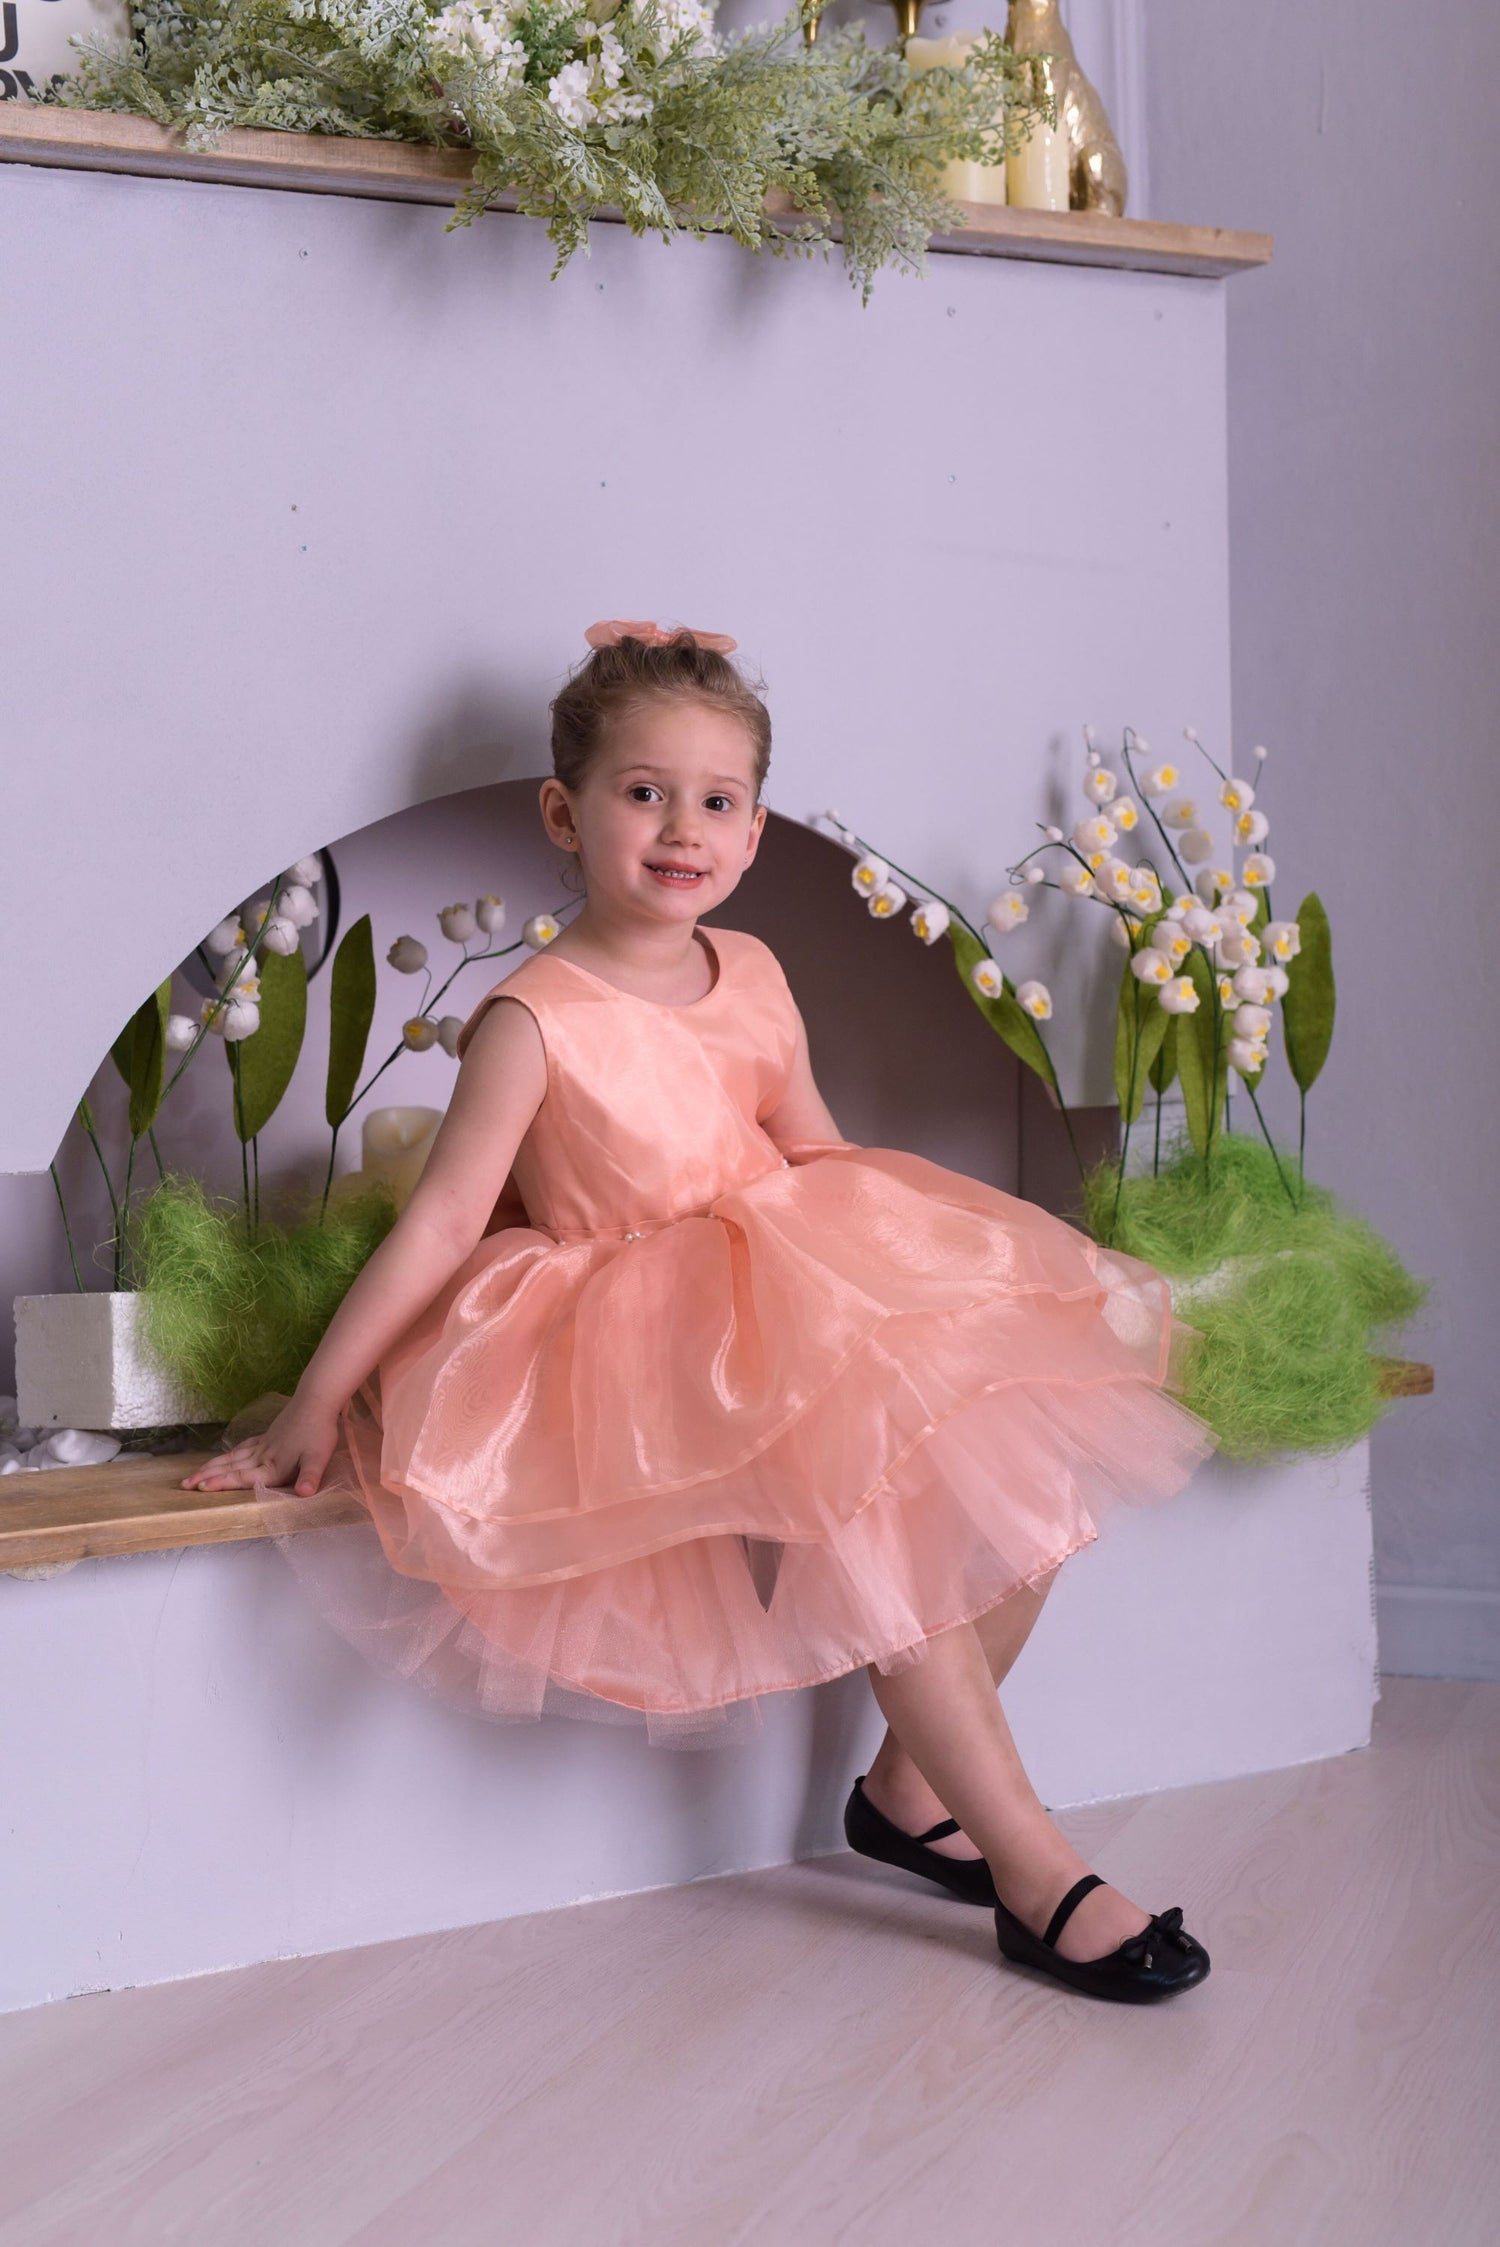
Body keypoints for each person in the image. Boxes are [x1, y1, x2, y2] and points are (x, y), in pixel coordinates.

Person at [184, 618, 1218, 2003]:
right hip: (638, 1342)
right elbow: (442, 1220)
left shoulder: (761, 979)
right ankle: (1034, 1873)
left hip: (781, 1288)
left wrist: (954, 1292)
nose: (684, 827)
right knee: (874, 1535)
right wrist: (317, 1401)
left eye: (719, 801)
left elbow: (826, 1160)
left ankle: (911, 1791)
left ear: (753, 827)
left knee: (1020, 1465)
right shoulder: (533, 1017)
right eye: (644, 792)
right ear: (569, 811)